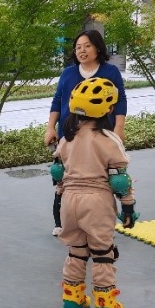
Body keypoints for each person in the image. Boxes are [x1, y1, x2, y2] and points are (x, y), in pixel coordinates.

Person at [52, 77, 138, 308]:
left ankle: (73, 304)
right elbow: (119, 180)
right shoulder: (108, 139)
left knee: (76, 252)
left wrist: (60, 196)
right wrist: (128, 206)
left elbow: (57, 172)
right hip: (96, 202)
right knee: (102, 255)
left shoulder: (67, 138)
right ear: (108, 109)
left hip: (70, 201)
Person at [45, 30, 127, 236]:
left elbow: (120, 101)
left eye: (87, 46)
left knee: (105, 177)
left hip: (101, 133)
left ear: (97, 48)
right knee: (63, 177)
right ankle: (62, 222)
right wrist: (50, 127)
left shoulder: (110, 72)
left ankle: (103, 220)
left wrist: (119, 128)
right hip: (70, 134)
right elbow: (57, 101)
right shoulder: (68, 73)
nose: (82, 50)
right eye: (78, 47)